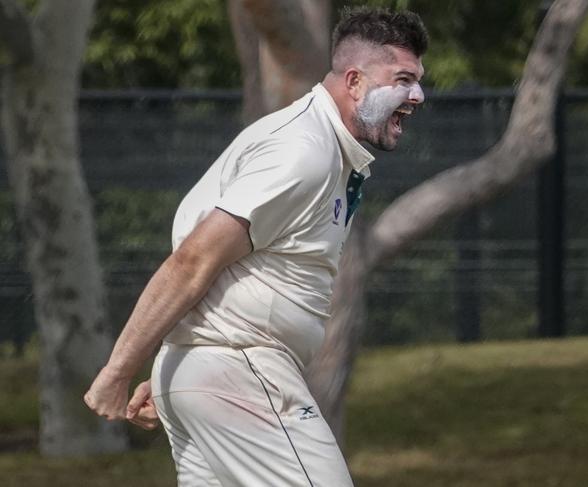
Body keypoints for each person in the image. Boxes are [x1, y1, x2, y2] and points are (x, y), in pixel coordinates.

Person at [84, 6, 428, 486]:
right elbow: (193, 259)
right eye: (404, 78)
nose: (418, 94)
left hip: (208, 371)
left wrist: (182, 373)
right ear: (354, 82)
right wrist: (117, 370)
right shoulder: (303, 152)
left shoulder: (320, 145)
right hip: (240, 369)